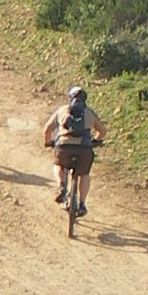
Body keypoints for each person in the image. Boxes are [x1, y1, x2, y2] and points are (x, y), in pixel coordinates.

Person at [41, 86, 108, 215]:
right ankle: (82, 204)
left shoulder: (62, 111)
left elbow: (47, 130)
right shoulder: (89, 113)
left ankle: (61, 187)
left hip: (64, 147)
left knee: (58, 164)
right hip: (84, 150)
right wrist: (95, 140)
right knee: (84, 174)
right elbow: (103, 132)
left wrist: (48, 142)